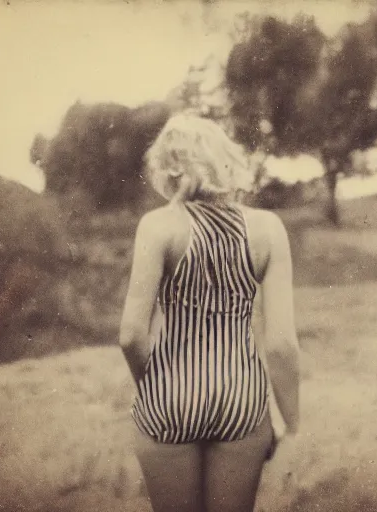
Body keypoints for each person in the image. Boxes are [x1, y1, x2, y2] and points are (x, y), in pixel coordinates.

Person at [117, 113, 301, 512]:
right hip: (242, 400)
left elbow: (131, 335)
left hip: (167, 400)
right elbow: (282, 344)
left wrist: (155, 389)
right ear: (225, 159)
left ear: (167, 168)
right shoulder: (268, 229)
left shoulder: (158, 227)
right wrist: (291, 421)